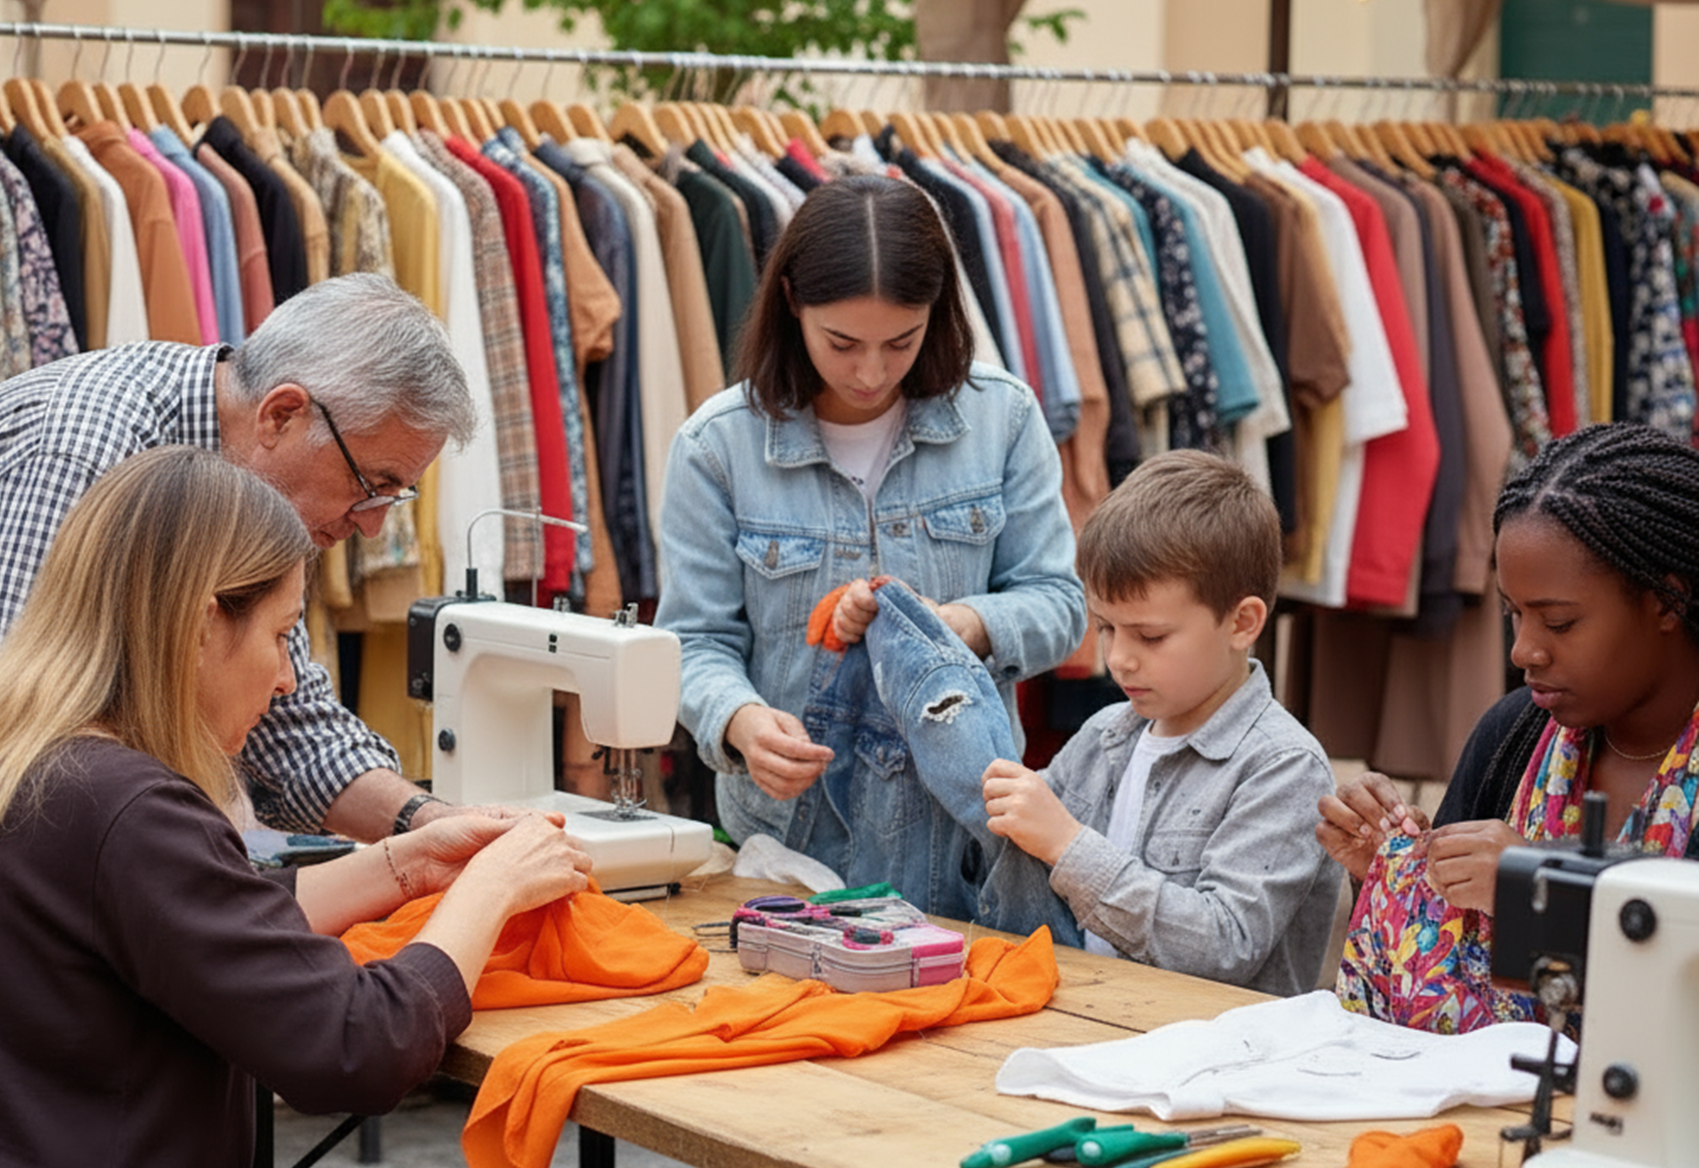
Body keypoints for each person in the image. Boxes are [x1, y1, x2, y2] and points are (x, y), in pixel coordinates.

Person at [0, 272, 498, 1168]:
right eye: (374, 485)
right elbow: (15, 751)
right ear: (283, 414)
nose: (369, 526)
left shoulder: (232, 514)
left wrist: (421, 823)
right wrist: (470, 891)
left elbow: (287, 715)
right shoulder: (81, 452)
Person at [0, 447, 592, 1166]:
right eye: (280, 635)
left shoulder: (1, 761)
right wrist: (492, 888)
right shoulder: (124, 807)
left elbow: (191, 918)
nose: (288, 680)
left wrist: (409, 863)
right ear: (203, 624)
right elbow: (360, 1045)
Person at [655, 174, 1085, 916]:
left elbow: (1059, 605)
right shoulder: (716, 447)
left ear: (938, 311)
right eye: (843, 342)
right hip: (786, 850)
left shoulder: (1004, 419)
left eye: (902, 342)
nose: (871, 371)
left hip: (965, 838)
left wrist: (956, 626)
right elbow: (693, 641)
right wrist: (742, 722)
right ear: (791, 301)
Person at [1321, 423, 1699, 1032]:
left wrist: (1540, 891)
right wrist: (1395, 869)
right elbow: (1445, 945)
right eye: (1513, 614)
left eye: (1559, 622)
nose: (1523, 650)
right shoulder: (1513, 736)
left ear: (1667, 602)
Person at [976, 451, 1344, 995]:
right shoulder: (1103, 735)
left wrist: (1067, 845)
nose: (1119, 658)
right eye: (1106, 628)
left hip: (1217, 1045)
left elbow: (1226, 944)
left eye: (1150, 636)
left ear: (1242, 623)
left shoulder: (1284, 767)